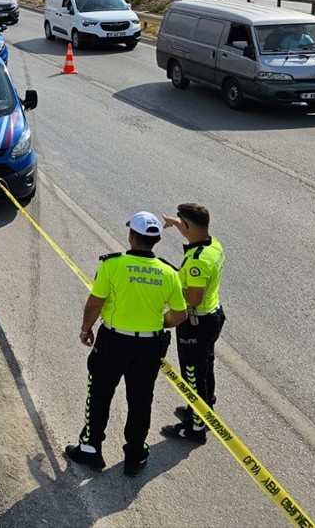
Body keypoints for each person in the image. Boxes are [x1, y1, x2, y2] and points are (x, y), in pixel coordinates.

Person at [65, 212, 188, 477]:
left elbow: (95, 303)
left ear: (131, 236)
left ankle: (91, 448)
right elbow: (180, 315)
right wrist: (156, 323)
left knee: (99, 394)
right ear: (156, 240)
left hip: (113, 342)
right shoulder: (169, 273)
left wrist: (86, 329)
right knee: (141, 401)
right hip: (149, 346)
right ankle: (135, 455)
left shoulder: (112, 265)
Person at [160, 203, 226, 444]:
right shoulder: (213, 244)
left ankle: (195, 428)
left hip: (196, 324)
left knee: (193, 374)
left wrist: (170, 286)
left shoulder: (197, 262)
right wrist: (174, 221)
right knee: (205, 366)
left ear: (188, 225)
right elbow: (190, 228)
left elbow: (193, 298)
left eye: (182, 223)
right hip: (213, 316)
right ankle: (206, 408)